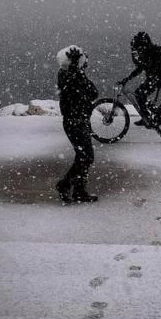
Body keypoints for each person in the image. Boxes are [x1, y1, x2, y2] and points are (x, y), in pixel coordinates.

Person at [55, 45, 99, 203]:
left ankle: (78, 190)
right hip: (75, 122)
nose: (85, 62)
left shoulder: (68, 74)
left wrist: (77, 68)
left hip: (78, 120)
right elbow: (93, 92)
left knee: (83, 156)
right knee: (86, 157)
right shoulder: (70, 75)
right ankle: (66, 185)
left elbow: (92, 92)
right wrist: (77, 68)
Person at [117, 31, 161, 127]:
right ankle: (146, 117)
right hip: (154, 77)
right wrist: (128, 78)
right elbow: (141, 68)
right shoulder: (147, 51)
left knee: (139, 95)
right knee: (140, 95)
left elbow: (143, 67)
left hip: (157, 77)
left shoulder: (153, 52)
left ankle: (155, 116)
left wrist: (159, 71)